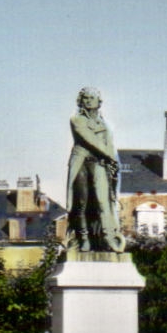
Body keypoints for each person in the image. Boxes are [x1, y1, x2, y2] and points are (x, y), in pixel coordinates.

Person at [66, 87, 125, 254]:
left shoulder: (105, 124)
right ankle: (83, 239)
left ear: (99, 102)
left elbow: (109, 144)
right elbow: (90, 139)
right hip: (82, 162)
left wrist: (113, 162)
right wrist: (111, 156)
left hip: (100, 163)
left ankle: (108, 237)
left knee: (103, 201)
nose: (89, 100)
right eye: (85, 97)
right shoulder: (76, 119)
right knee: (81, 202)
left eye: (92, 97)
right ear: (81, 101)